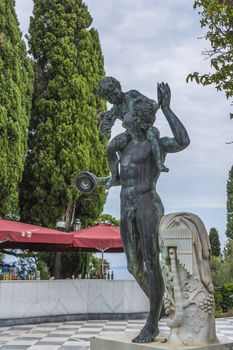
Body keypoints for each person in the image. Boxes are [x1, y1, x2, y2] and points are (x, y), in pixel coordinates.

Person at [105, 82, 190, 343]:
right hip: (125, 203)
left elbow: (183, 141)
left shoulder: (156, 143)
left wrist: (166, 108)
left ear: (138, 118)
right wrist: (108, 178)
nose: (124, 114)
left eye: (129, 113)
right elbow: (121, 178)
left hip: (146, 203)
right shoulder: (125, 147)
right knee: (133, 264)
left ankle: (152, 322)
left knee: (152, 262)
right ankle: (160, 302)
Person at [97, 77, 169, 185]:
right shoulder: (115, 109)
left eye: (114, 93)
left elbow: (150, 103)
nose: (113, 98)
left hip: (144, 127)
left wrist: (155, 106)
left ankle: (159, 163)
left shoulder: (132, 95)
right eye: (109, 98)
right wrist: (104, 124)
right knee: (110, 148)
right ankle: (115, 176)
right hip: (130, 133)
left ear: (118, 87)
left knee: (153, 135)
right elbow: (107, 124)